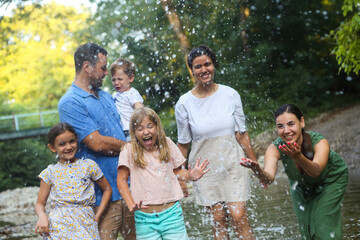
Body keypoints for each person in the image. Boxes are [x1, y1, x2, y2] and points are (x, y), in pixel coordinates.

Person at [175, 45, 256, 240]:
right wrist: (180, 176)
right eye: (198, 67)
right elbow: (183, 144)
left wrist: (255, 165)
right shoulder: (184, 103)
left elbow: (242, 135)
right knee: (218, 220)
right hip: (205, 168)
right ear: (192, 70)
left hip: (233, 163)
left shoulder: (230, 94)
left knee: (238, 216)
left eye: (207, 64)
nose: (204, 70)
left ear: (214, 65)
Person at [58, 43, 136, 240]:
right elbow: (96, 143)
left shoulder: (107, 96)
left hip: (129, 190)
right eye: (102, 68)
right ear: (87, 67)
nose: (106, 73)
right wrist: (132, 149)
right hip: (101, 198)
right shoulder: (70, 102)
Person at [240, 104, 349, 240]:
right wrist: (257, 170)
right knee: (306, 226)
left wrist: (298, 157)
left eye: (291, 124)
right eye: (280, 126)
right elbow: (269, 178)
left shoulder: (319, 142)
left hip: (331, 180)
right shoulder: (275, 148)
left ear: (301, 122)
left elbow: (316, 171)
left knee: (323, 222)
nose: (286, 131)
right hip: (300, 184)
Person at [117, 107, 210, 240]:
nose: (146, 132)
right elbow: (121, 180)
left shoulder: (166, 144)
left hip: (171, 214)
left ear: (157, 127)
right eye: (140, 129)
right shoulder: (129, 149)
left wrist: (190, 175)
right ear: (134, 132)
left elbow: (177, 172)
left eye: (150, 126)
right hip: (144, 218)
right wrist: (130, 202)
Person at [35, 123, 112, 239]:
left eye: (72, 141)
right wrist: (42, 216)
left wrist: (97, 216)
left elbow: (107, 189)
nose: (68, 147)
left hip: (86, 222)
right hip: (59, 225)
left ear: (77, 140)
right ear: (52, 147)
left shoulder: (89, 166)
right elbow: (40, 203)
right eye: (62, 144)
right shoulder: (49, 173)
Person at [109, 58, 144, 142]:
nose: (116, 82)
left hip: (131, 130)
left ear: (131, 78)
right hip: (120, 131)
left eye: (120, 79)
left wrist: (141, 123)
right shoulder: (116, 95)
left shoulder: (132, 93)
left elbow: (139, 107)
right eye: (114, 79)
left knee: (131, 150)